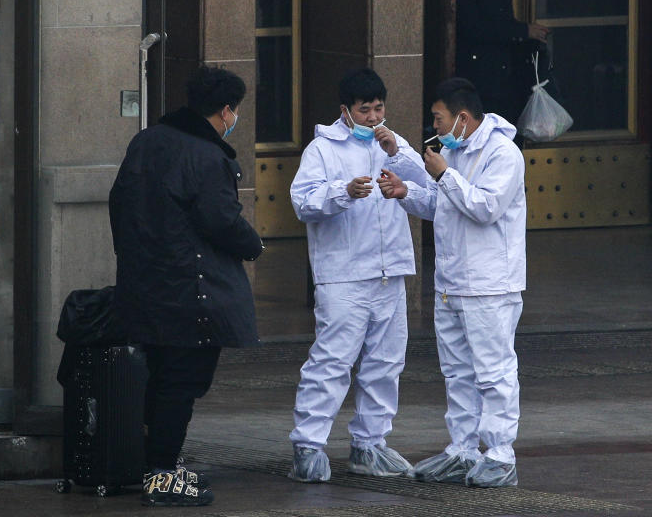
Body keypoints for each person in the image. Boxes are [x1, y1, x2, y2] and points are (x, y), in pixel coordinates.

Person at [109, 65, 264, 507]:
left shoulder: (146, 142)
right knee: (182, 382)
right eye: (235, 112)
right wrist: (255, 246)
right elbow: (220, 220)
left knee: (159, 378)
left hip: (147, 285)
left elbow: (118, 204)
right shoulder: (207, 156)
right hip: (191, 292)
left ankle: (154, 466)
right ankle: (162, 474)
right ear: (226, 110)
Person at [377, 78, 527, 488]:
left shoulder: (503, 154)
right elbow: (445, 206)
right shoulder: (456, 153)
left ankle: (499, 453)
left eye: (438, 119)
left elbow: (485, 208)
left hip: (490, 284)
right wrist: (406, 192)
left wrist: (444, 176)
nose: (435, 127)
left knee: (494, 372)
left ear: (462, 117)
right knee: (458, 372)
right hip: (452, 282)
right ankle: (462, 449)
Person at [287, 68, 429, 483]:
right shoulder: (323, 149)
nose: (372, 117)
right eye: (364, 110)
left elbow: (428, 187)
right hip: (344, 274)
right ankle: (308, 445)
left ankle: (370, 444)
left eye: (378, 108)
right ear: (345, 112)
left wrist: (398, 154)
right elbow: (303, 203)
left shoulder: (394, 143)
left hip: (390, 271)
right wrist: (342, 193)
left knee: (386, 361)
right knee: (333, 360)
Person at [456, 0, 549, 126]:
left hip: (503, 70)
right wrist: (524, 31)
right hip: (481, 70)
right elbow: (477, 26)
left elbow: (502, 21)